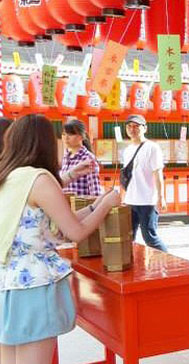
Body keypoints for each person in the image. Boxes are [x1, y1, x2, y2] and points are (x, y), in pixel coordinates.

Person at [0, 115, 120, 364]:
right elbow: (74, 233)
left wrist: (95, 206)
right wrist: (107, 203)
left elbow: (53, 227)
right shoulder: (40, 179)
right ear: (44, 142)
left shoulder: (9, 177)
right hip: (33, 287)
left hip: (7, 283)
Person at [121, 114, 168, 252]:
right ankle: (132, 264)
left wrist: (161, 197)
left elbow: (157, 173)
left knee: (150, 237)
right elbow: (126, 176)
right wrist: (123, 197)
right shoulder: (128, 150)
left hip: (147, 200)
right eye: (129, 126)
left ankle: (168, 262)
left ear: (145, 128)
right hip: (131, 200)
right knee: (129, 236)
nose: (132, 129)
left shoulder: (152, 147)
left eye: (136, 126)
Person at [60, 119, 103, 197]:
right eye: (64, 134)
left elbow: (95, 191)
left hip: (82, 206)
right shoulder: (66, 157)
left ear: (81, 137)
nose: (66, 137)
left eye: (70, 134)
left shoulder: (88, 158)